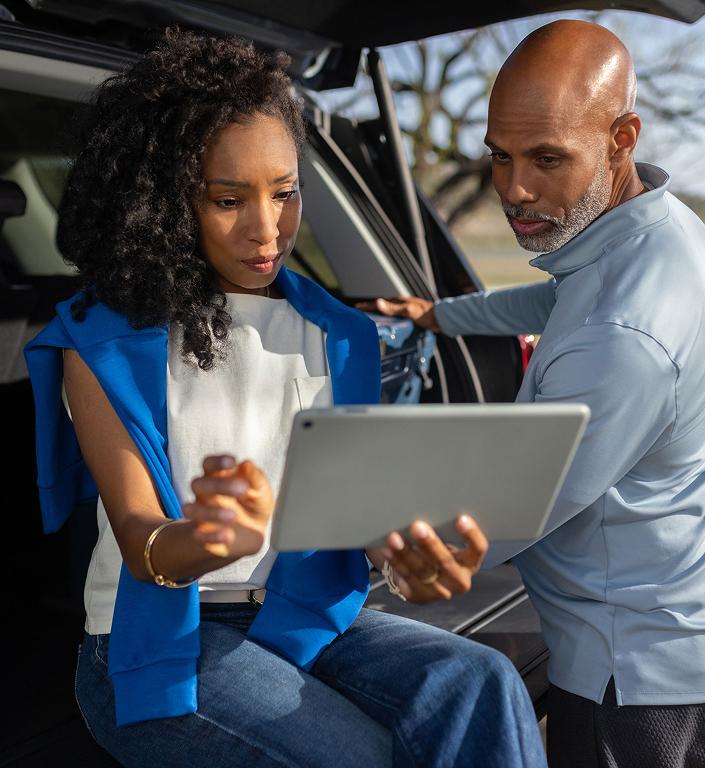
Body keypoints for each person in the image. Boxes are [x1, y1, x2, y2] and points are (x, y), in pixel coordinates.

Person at [23, 29, 546, 768]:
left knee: (479, 681)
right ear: (167, 203)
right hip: (158, 635)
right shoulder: (101, 343)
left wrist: (406, 561)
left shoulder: (335, 332)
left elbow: (353, 510)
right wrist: (205, 543)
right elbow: (142, 538)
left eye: (286, 192)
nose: (268, 231)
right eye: (229, 199)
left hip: (304, 619)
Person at [361, 19, 705, 768]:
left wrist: (350, 541)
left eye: (547, 159)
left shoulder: (623, 340)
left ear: (623, 137)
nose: (514, 189)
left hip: (639, 678)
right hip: (699, 620)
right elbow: (558, 302)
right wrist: (439, 314)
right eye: (500, 157)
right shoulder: (658, 230)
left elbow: (511, 508)